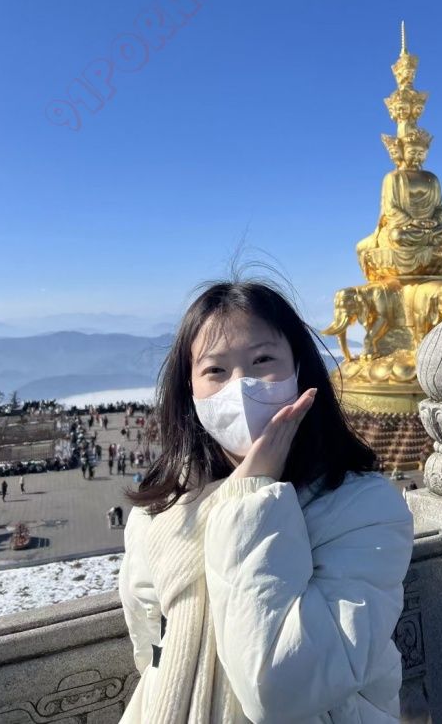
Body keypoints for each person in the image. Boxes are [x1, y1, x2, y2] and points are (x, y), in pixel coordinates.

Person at [118, 279, 414, 723]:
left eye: (262, 361)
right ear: (190, 390)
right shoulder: (157, 513)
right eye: (215, 370)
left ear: (300, 370)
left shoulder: (365, 510)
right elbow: (153, 651)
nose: (241, 386)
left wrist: (252, 495)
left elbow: (278, 689)